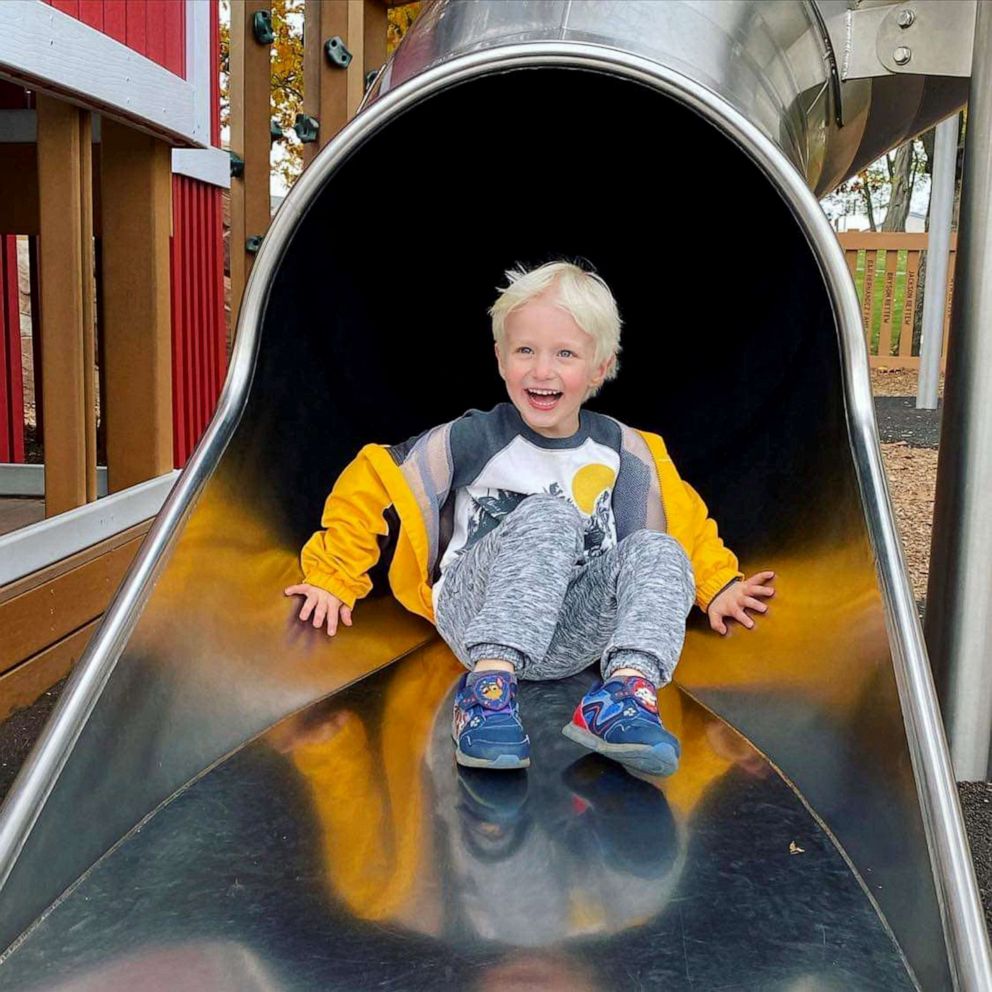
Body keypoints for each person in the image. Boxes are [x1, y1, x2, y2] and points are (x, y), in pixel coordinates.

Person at [284, 261, 775, 775]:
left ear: (600, 367)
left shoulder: (625, 450)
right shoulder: (478, 437)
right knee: (549, 516)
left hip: (575, 635)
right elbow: (375, 476)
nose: (542, 371)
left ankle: (624, 694)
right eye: (526, 351)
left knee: (659, 548)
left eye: (565, 354)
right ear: (500, 359)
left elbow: (681, 517)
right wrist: (335, 575)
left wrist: (718, 584)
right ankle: (487, 695)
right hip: (478, 617)